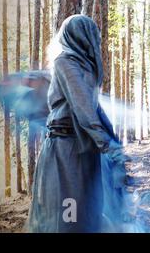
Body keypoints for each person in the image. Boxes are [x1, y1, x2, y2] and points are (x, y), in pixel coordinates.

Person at [27, 15, 129, 233]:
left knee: (86, 213)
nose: (96, 39)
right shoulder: (64, 62)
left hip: (84, 148)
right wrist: (108, 144)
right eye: (91, 33)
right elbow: (82, 105)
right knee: (68, 214)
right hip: (65, 151)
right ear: (78, 35)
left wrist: (111, 141)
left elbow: (92, 107)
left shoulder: (85, 66)